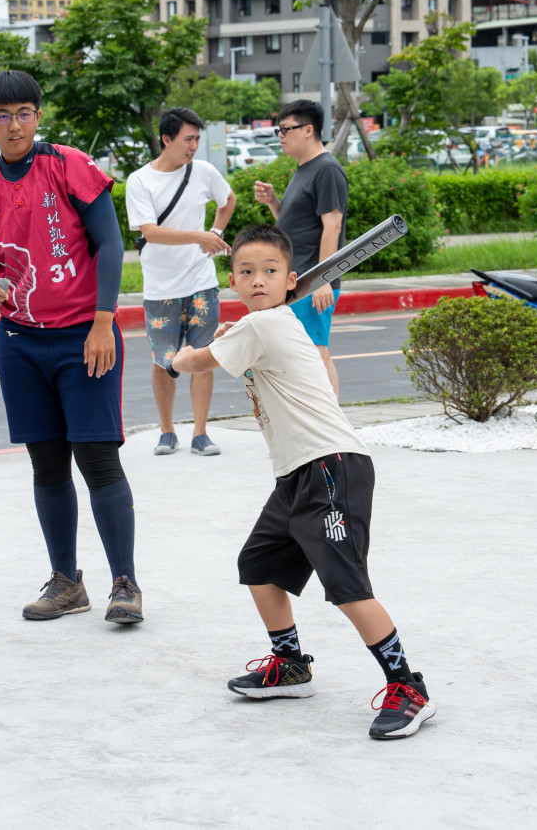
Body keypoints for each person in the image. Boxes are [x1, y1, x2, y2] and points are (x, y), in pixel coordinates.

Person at [171, 225, 436, 740]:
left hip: (331, 465)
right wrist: (228, 338)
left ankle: (409, 686)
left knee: (345, 584)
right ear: (233, 280)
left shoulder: (266, 325)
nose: (257, 280)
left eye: (270, 272)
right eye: (246, 272)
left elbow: (199, 361)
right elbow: (239, 349)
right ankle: (290, 664)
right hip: (297, 472)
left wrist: (181, 356)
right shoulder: (265, 325)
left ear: (290, 280)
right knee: (259, 564)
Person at [0, 70, 144, 622]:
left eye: (24, 113)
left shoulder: (68, 166)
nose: (14, 124)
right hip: (19, 341)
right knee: (46, 463)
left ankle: (125, 584)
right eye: (1, 115)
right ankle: (66, 581)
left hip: (85, 334)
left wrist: (105, 321)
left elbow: (110, 243)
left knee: (97, 458)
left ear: (37, 115)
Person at [125, 107, 236, 456]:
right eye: (188, 139)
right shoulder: (140, 180)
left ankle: (200, 433)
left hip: (202, 283)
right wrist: (200, 236)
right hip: (161, 288)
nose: (193, 146)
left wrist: (216, 232)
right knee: (165, 361)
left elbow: (228, 199)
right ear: (166, 139)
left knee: (203, 356)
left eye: (197, 140)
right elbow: (151, 233)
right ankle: (167, 430)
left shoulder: (203, 171)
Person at [251, 99, 347, 398]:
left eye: (285, 129)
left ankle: (333, 433)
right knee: (302, 358)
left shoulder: (326, 169)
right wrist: (273, 202)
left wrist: (323, 279)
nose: (280, 136)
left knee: (317, 354)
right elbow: (295, 227)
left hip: (312, 282)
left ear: (308, 130)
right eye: (278, 130)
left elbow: (333, 226)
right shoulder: (304, 169)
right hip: (299, 280)